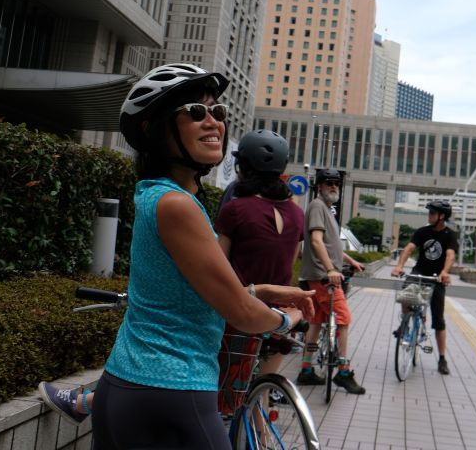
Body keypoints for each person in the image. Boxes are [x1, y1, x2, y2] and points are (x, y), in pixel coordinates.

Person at [38, 63, 314, 448]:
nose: (212, 122)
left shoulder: (161, 194)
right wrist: (289, 320)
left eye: (217, 112)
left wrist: (263, 291)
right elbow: (241, 314)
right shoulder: (176, 205)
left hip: (135, 386)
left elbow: (191, 291)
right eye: (194, 113)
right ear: (153, 129)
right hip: (171, 389)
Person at [214, 129, 305, 380]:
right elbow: (289, 262)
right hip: (280, 318)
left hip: (240, 315)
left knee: (227, 396)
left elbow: (217, 267)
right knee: (260, 392)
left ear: (242, 166)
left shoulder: (236, 209)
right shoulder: (297, 215)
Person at [296, 168, 366, 394]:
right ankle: (344, 371)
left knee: (316, 322)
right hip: (322, 276)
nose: (333, 186)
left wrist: (350, 260)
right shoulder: (317, 206)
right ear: (319, 186)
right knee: (343, 318)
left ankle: (306, 369)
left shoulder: (327, 210)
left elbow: (329, 243)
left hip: (317, 275)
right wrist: (329, 269)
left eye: (336, 183)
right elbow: (316, 241)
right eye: (328, 183)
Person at [390, 199, 458, 375]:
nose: (429, 216)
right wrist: (399, 266)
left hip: (437, 278)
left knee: (439, 320)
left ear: (442, 216)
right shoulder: (422, 232)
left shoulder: (449, 235)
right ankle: (405, 323)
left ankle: (442, 359)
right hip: (419, 271)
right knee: (405, 294)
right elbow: (409, 249)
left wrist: (444, 272)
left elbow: (450, 255)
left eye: (432, 213)